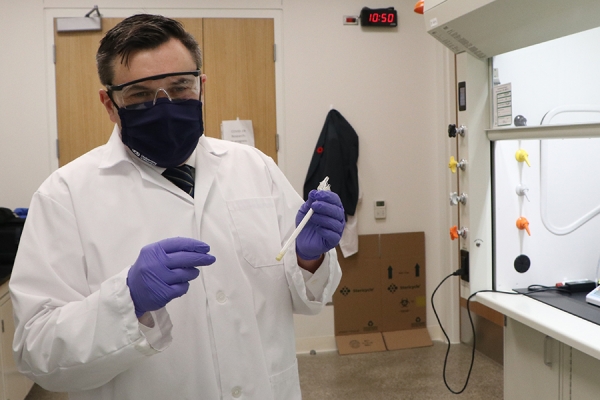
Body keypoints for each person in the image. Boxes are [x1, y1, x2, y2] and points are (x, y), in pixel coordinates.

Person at [10, 14, 344, 400]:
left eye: (179, 87)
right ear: (109, 102)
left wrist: (309, 260)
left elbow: (307, 296)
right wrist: (127, 301)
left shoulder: (254, 167)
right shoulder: (64, 195)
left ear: (201, 86)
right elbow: (38, 352)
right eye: (139, 94)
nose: (164, 105)